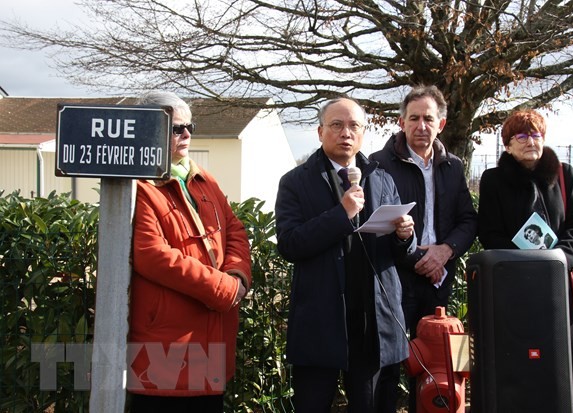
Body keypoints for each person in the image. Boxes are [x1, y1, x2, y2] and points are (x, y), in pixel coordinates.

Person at [275, 96, 416, 413]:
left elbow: (399, 252)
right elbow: (290, 244)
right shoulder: (296, 182)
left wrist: (405, 236)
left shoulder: (381, 177)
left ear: (364, 132)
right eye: (336, 125)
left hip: (373, 322)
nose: (345, 133)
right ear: (320, 131)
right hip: (320, 321)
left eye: (354, 126)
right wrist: (341, 214)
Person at [127, 91, 252, 412]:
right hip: (167, 341)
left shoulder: (202, 178)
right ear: (147, 128)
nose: (186, 135)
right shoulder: (136, 185)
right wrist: (224, 288)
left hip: (213, 333)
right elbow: (151, 254)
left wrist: (238, 275)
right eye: (176, 128)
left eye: (190, 127)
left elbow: (234, 228)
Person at [369, 85, 477, 411]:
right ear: (401, 122)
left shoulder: (453, 166)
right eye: (413, 118)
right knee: (387, 368)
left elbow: (468, 221)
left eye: (428, 119)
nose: (421, 126)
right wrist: (419, 257)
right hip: (395, 282)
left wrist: (445, 251)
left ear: (441, 124)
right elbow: (376, 227)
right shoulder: (378, 164)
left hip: (438, 283)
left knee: (441, 367)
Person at [477, 109, 573, 373]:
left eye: (536, 135)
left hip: (556, 281)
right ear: (508, 144)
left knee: (562, 364)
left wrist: (561, 258)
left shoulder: (564, 174)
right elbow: (489, 233)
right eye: (522, 136)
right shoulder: (493, 180)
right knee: (520, 364)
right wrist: (524, 262)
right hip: (514, 285)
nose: (531, 141)